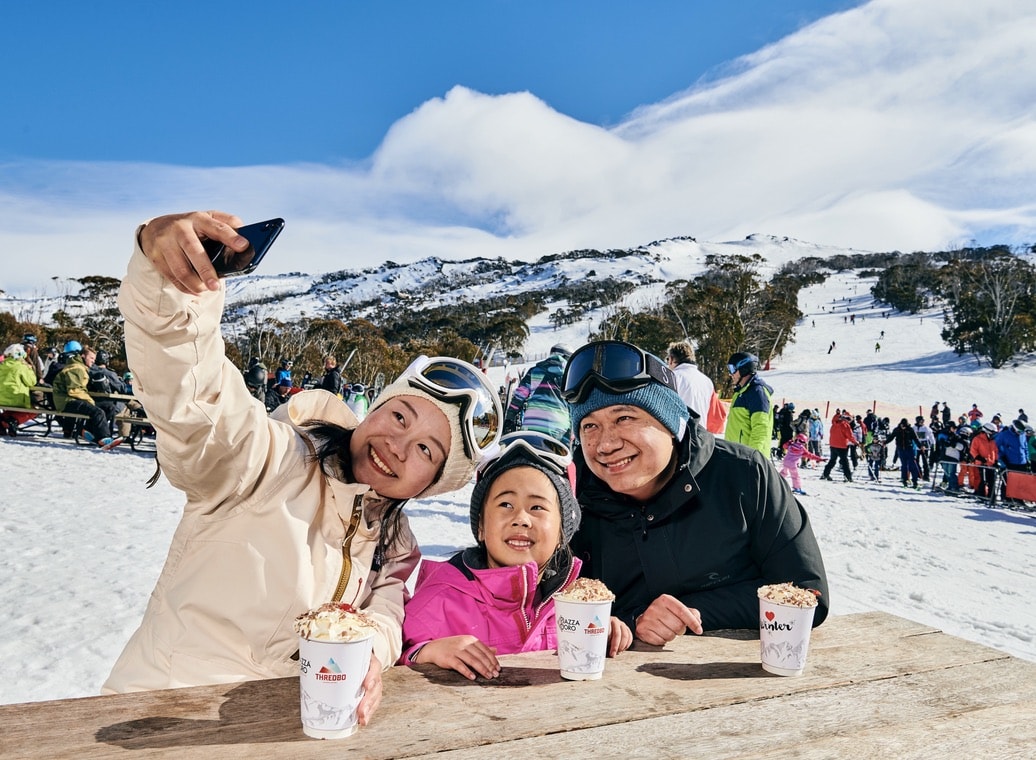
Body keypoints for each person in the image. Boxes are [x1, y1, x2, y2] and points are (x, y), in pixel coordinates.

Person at [102, 210, 504, 730]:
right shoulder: (268, 461)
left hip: (279, 731)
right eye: (398, 415)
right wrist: (172, 289)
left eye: (427, 451)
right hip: (156, 717)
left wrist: (369, 655)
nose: (398, 446)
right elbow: (198, 403)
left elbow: (385, 618)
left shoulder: (396, 543)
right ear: (375, 409)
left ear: (431, 484)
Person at [561, 339, 829, 640]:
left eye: (624, 418)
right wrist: (625, 621)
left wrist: (691, 613)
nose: (606, 444)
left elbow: (807, 594)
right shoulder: (570, 500)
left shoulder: (744, 476)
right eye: (589, 426)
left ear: (670, 423)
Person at [399, 432, 632, 679]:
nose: (521, 519)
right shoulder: (438, 601)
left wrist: (608, 631)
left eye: (537, 507)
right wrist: (425, 653)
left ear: (562, 533)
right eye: (505, 505)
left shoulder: (573, 606)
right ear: (480, 526)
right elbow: (388, 658)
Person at [51, 342, 123, 449]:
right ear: (83, 356)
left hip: (74, 399)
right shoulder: (76, 368)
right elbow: (74, 390)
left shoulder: (82, 368)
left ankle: (88, 430)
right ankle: (104, 438)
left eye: (94, 359)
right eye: (91, 358)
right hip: (67, 401)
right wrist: (90, 401)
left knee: (109, 407)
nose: (93, 361)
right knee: (97, 411)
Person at [502, 344, 574, 447]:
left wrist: (509, 418)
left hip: (531, 427)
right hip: (559, 429)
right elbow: (574, 404)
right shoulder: (570, 375)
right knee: (559, 461)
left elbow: (518, 397)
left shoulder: (535, 371)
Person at [665, 339, 725, 434]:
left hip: (678, 436)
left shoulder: (671, 377)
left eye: (667, 359)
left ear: (672, 359)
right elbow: (716, 418)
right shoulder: (707, 381)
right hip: (700, 437)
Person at [723, 351, 775, 460]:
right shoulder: (740, 393)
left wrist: (753, 458)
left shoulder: (757, 393)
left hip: (748, 460)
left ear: (744, 369)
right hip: (735, 456)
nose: (730, 374)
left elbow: (761, 428)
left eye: (732, 369)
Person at [0, 343, 40, 435]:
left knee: (11, 410)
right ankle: (13, 421)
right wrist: (29, 368)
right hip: (16, 398)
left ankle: (2, 421)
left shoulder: (2, 365)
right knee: (34, 410)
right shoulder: (21, 367)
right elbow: (31, 382)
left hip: (1, 398)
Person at [89, 349, 129, 436]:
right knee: (126, 409)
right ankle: (124, 435)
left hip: (91, 402)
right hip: (107, 405)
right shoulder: (109, 374)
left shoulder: (88, 371)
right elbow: (122, 389)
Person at [820, 412, 858, 483]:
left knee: (832, 460)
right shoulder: (845, 425)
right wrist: (855, 442)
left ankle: (825, 474)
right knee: (845, 462)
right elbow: (850, 435)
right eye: (849, 419)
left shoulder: (834, 424)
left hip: (833, 445)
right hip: (841, 446)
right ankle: (847, 476)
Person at [969, 422, 1000, 498]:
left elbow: (995, 451)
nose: (993, 435)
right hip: (981, 464)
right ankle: (981, 495)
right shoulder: (977, 439)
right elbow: (973, 450)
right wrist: (978, 457)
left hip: (990, 464)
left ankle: (991, 497)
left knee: (992, 481)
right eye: (992, 433)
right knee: (983, 480)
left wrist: (996, 461)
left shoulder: (993, 441)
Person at [891, 418, 922, 489]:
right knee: (904, 465)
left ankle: (915, 481)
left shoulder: (910, 430)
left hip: (909, 449)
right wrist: (885, 442)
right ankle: (904, 480)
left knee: (912, 465)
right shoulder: (897, 429)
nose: (903, 427)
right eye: (902, 426)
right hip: (901, 449)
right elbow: (891, 437)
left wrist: (920, 446)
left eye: (905, 426)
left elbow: (915, 438)